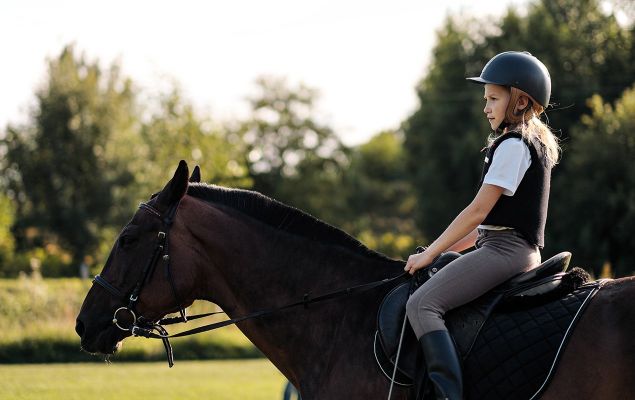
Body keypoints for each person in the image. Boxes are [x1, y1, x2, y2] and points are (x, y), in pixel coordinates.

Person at [404, 51, 560, 400]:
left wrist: (430, 251)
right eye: (485, 100)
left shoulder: (514, 145)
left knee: (421, 305)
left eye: (493, 98)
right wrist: (439, 255)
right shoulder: (523, 144)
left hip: (506, 253)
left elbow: (477, 212)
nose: (486, 107)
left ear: (520, 101)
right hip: (503, 247)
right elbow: (485, 227)